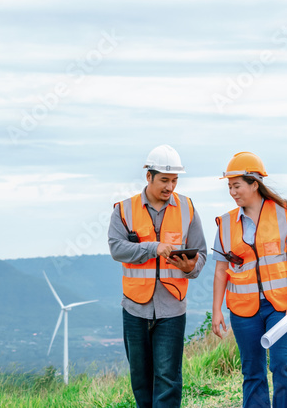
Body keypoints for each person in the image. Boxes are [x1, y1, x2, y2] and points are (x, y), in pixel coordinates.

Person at [108, 144, 207, 408]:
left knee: (168, 379)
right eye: (164, 180)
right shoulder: (124, 209)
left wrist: (190, 268)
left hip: (172, 307)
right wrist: (153, 247)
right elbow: (116, 248)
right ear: (148, 177)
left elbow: (202, 255)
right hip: (135, 307)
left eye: (174, 180)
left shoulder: (187, 208)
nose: (170, 187)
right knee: (140, 379)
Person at [211, 151, 287, 408]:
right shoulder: (226, 223)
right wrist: (216, 309)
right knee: (253, 372)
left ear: (254, 183)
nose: (232, 192)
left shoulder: (283, 214)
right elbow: (221, 271)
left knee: (283, 363)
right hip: (243, 310)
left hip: (281, 306)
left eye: (237, 185)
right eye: (229, 186)